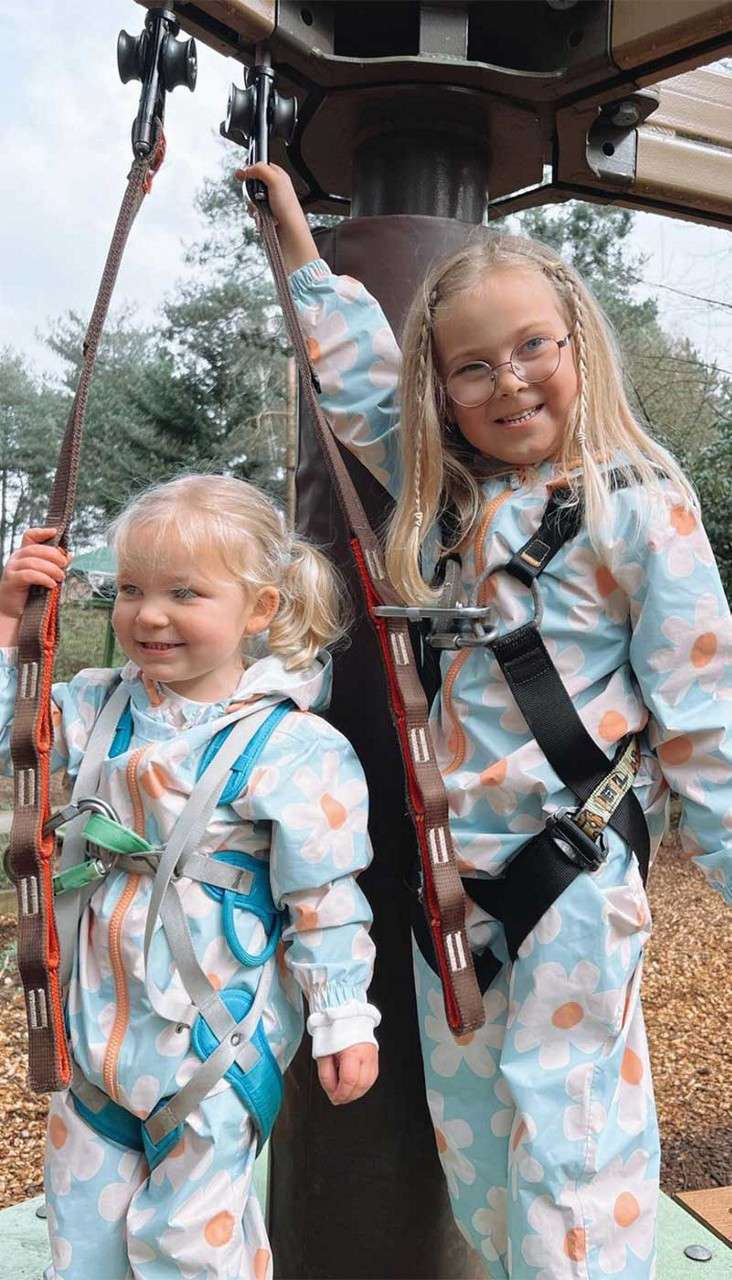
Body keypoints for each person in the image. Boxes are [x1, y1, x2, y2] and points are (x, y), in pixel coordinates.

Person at [243, 162, 732, 1279]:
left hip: (571, 875)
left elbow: (708, 713)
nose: (508, 383)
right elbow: (366, 390)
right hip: (449, 891)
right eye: (473, 367)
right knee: (481, 1159)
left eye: (531, 349)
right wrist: (303, 259)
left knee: (572, 1150)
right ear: (446, 390)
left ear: (577, 346)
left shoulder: (637, 507)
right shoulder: (451, 500)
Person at [0, 474, 380, 1280]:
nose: (150, 614)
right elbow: (11, 728)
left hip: (212, 1046)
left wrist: (343, 1016)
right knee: (83, 1241)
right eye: (132, 589)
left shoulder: (295, 748)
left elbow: (325, 897)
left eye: (184, 592)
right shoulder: (95, 708)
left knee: (191, 1248)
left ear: (260, 610)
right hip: (95, 1037)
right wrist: (9, 625)